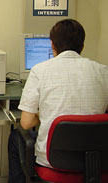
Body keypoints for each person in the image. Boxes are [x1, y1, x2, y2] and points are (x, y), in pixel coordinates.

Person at [8, 19, 108, 183]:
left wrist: (42, 114)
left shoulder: (40, 71)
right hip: (95, 163)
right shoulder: (103, 71)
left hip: (52, 163)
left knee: (15, 137)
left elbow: (26, 123)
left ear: (52, 45)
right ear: (82, 45)